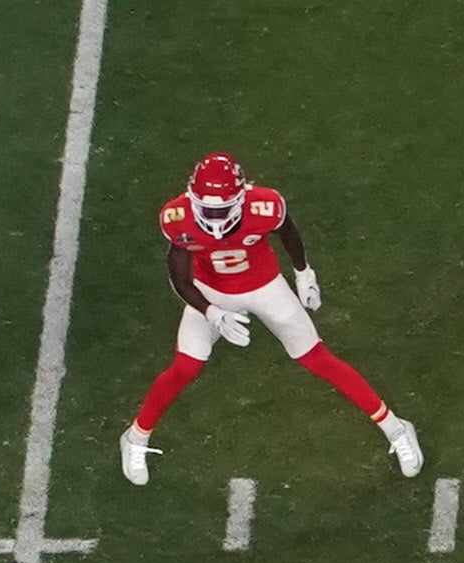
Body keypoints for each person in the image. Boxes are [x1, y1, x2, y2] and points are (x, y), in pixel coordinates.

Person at [119, 153, 423, 486]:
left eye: (221, 210)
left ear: (240, 196)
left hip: (264, 284)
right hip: (211, 291)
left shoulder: (264, 206)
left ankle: (396, 428)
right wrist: (212, 312)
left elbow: (288, 233)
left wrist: (304, 273)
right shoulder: (178, 217)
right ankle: (135, 437)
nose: (214, 217)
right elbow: (180, 278)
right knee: (186, 366)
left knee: (317, 358)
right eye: (207, 208)